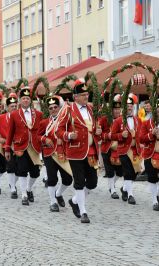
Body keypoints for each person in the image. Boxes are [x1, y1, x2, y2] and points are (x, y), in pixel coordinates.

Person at [57, 78, 101, 223]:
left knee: (93, 182)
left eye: (87, 94)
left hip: (91, 151)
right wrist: (69, 135)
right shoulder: (68, 110)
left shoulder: (90, 109)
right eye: (83, 95)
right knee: (79, 182)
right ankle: (83, 212)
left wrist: (97, 130)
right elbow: (59, 130)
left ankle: (75, 201)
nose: (86, 97)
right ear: (75, 97)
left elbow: (92, 129)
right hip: (75, 152)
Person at [5, 87, 43, 206]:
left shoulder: (38, 114)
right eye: (23, 98)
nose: (26, 100)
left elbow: (41, 131)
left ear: (30, 100)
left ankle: (29, 189)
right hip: (20, 146)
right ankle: (24, 195)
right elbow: (10, 133)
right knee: (22, 171)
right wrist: (7, 148)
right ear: (20, 101)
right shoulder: (15, 114)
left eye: (27, 98)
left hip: (34, 146)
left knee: (35, 173)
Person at [39, 95, 73, 212]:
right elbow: (38, 135)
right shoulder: (44, 122)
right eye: (51, 108)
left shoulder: (65, 120)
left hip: (62, 152)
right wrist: (45, 139)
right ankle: (53, 202)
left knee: (68, 179)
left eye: (55, 107)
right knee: (52, 179)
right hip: (49, 153)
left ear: (59, 108)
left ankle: (58, 194)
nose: (53, 109)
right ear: (48, 110)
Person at [110, 93, 142, 205]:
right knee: (128, 172)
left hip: (135, 150)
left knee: (135, 172)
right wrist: (120, 136)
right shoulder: (118, 121)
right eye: (127, 107)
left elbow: (141, 135)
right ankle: (130, 195)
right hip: (123, 149)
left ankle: (124, 189)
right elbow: (112, 135)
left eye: (131, 106)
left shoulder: (138, 120)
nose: (129, 108)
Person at [98, 94, 123, 199]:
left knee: (120, 171)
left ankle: (111, 185)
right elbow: (99, 133)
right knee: (109, 170)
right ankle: (112, 190)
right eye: (115, 109)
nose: (117, 111)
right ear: (111, 110)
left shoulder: (122, 119)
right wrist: (107, 136)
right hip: (107, 147)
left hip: (119, 148)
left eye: (119, 109)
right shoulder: (104, 119)